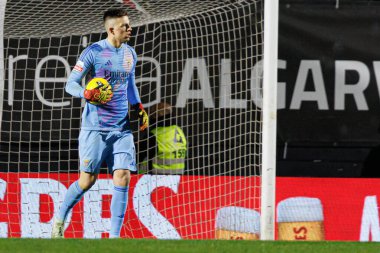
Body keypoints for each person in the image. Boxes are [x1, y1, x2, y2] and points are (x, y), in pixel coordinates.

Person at [51, 8, 148, 238]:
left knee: (123, 175)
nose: (130, 28)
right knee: (87, 181)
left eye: (129, 24)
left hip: (122, 128)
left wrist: (139, 108)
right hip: (95, 128)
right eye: (125, 25)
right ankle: (59, 220)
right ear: (112, 29)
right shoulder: (93, 52)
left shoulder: (130, 54)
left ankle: (114, 239)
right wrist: (86, 93)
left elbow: (130, 85)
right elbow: (70, 84)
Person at [138, 102, 187, 175]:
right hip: (179, 177)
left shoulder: (155, 135)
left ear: (155, 116)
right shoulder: (178, 130)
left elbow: (140, 155)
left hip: (157, 178)